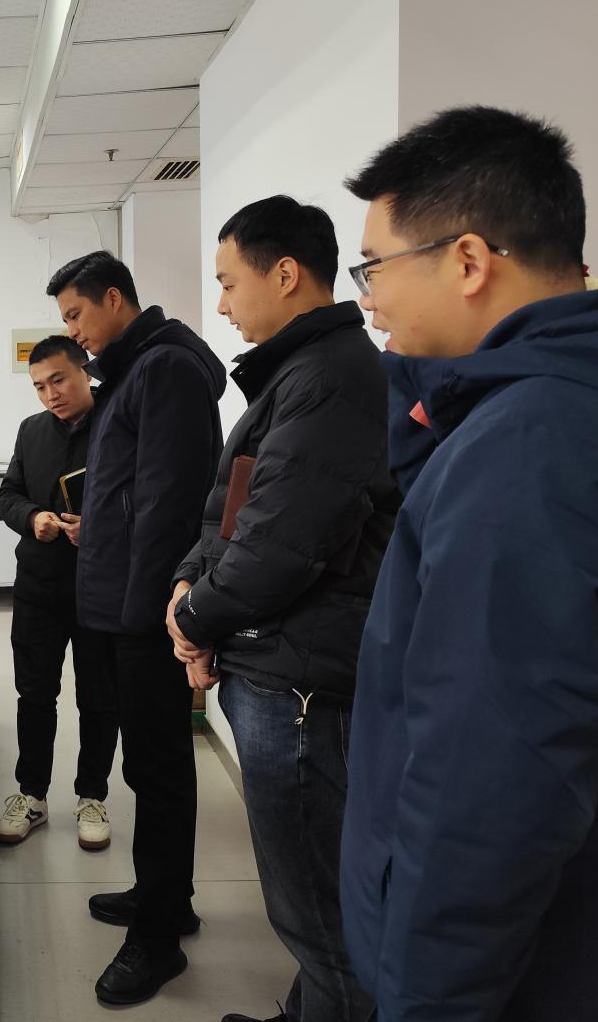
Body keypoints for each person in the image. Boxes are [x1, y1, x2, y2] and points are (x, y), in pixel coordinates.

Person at [339, 105, 598, 1021]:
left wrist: (426, 1001)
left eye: (373, 267)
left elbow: (491, 780)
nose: (367, 297)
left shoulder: (530, 444)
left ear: (468, 261)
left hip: (545, 968)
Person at [168, 196, 397, 1022]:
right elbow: (230, 509)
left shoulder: (330, 379)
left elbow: (277, 546)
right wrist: (188, 583)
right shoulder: (298, 374)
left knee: (320, 913)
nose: (222, 303)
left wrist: (192, 620)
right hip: (275, 659)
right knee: (307, 900)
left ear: (286, 274)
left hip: (300, 685)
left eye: (229, 282)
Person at [47, 251, 226, 1006]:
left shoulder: (165, 369)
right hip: (121, 602)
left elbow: (166, 504)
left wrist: (151, 609)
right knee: (147, 766)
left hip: (145, 610)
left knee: (156, 769)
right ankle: (165, 898)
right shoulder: (134, 369)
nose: (72, 330)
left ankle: (157, 939)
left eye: (75, 314)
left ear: (114, 298)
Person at [0, 335, 119, 851]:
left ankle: (92, 795)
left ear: (85, 371)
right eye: (40, 386)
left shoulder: (119, 424)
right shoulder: (32, 431)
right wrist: (34, 518)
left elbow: (146, 499)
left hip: (100, 588)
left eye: (59, 380)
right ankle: (31, 795)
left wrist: (102, 529)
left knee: (99, 698)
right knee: (35, 694)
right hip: (39, 588)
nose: (51, 394)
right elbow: (8, 493)